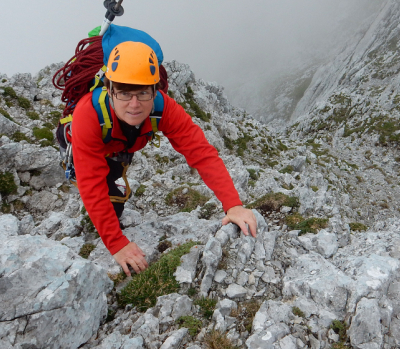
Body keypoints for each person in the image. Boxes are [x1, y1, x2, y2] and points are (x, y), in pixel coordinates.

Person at [69, 36, 258, 276]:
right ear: (109, 89)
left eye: (143, 93)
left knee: (114, 202)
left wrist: (233, 205)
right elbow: (90, 183)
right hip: (95, 144)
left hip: (121, 145)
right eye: (125, 93)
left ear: (155, 89)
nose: (135, 104)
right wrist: (117, 244)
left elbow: (201, 153)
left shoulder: (163, 107)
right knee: (106, 202)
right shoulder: (88, 115)